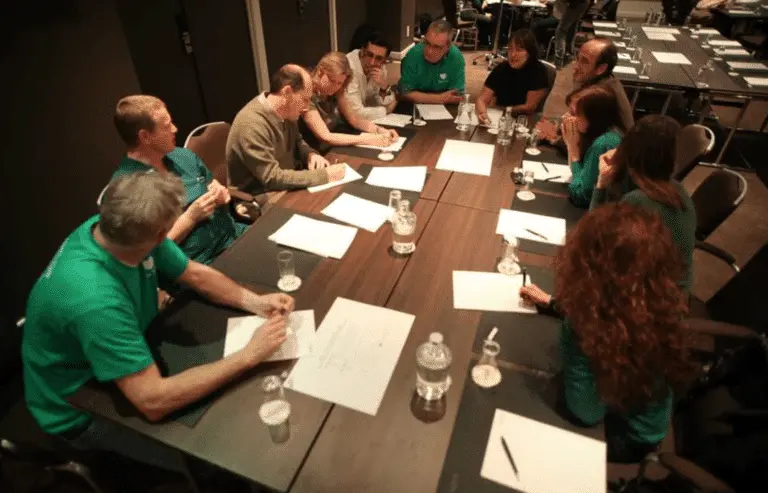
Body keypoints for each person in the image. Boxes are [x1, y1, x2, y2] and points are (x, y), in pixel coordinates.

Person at [22, 172, 294, 472]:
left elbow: (194, 274)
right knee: (219, 460)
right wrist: (248, 355)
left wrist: (256, 302)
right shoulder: (94, 301)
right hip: (80, 405)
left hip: (120, 355)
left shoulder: (118, 230)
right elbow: (153, 401)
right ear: (157, 234)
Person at [519, 203, 693, 463]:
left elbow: (586, 413)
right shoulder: (652, 298)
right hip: (641, 415)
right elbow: (612, 311)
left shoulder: (591, 325)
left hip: (628, 436)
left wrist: (574, 331)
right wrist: (555, 304)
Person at [110, 95, 245, 266]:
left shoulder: (182, 156)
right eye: (166, 126)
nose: (175, 129)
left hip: (234, 235)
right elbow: (147, 257)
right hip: (199, 263)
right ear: (145, 136)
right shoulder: (127, 190)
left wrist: (219, 192)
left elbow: (212, 183)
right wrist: (190, 218)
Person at [591, 115, 697, 294]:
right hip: (675, 297)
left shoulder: (637, 201)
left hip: (648, 301)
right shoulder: (679, 191)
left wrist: (601, 183)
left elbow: (592, 240)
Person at [226, 64, 346, 195]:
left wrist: (310, 155)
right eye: (304, 99)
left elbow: (298, 141)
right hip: (259, 195)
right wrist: (324, 175)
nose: (306, 107)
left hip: (285, 185)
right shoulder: (251, 123)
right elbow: (271, 177)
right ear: (287, 92)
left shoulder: (288, 112)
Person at [300, 52, 398, 152]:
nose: (335, 87)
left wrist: (379, 130)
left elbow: (354, 119)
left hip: (333, 147)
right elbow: (325, 136)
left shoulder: (338, 90)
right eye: (332, 81)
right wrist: (368, 140)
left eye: (340, 83)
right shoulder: (305, 92)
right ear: (320, 72)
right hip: (312, 152)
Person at [537, 38, 634, 140]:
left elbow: (587, 141)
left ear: (601, 69)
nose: (575, 66)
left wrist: (554, 137)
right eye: (577, 58)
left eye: (584, 61)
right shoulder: (598, 79)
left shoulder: (599, 95)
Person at [561, 84, 626, 207]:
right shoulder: (611, 131)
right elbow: (581, 175)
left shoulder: (604, 143)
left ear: (594, 116)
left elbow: (581, 196)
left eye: (574, 113)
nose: (565, 117)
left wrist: (573, 149)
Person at [475, 29, 550, 122]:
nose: (513, 54)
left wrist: (504, 109)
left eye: (519, 50)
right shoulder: (502, 68)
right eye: (510, 49)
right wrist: (482, 113)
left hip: (524, 121)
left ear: (530, 52)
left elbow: (529, 107)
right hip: (500, 119)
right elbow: (481, 99)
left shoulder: (538, 70)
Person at [399, 19, 466, 105]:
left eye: (437, 47)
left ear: (448, 47)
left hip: (441, 107)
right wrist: (440, 98)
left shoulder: (456, 58)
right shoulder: (413, 55)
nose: (429, 51)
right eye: (427, 43)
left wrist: (420, 96)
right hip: (416, 105)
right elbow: (405, 94)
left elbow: (457, 96)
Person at [345, 35, 398, 120]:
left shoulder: (380, 67)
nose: (372, 62)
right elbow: (355, 113)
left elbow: (376, 103)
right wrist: (386, 110)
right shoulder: (349, 67)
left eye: (379, 58)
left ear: (384, 60)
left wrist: (384, 87)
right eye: (369, 55)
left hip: (366, 120)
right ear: (362, 51)